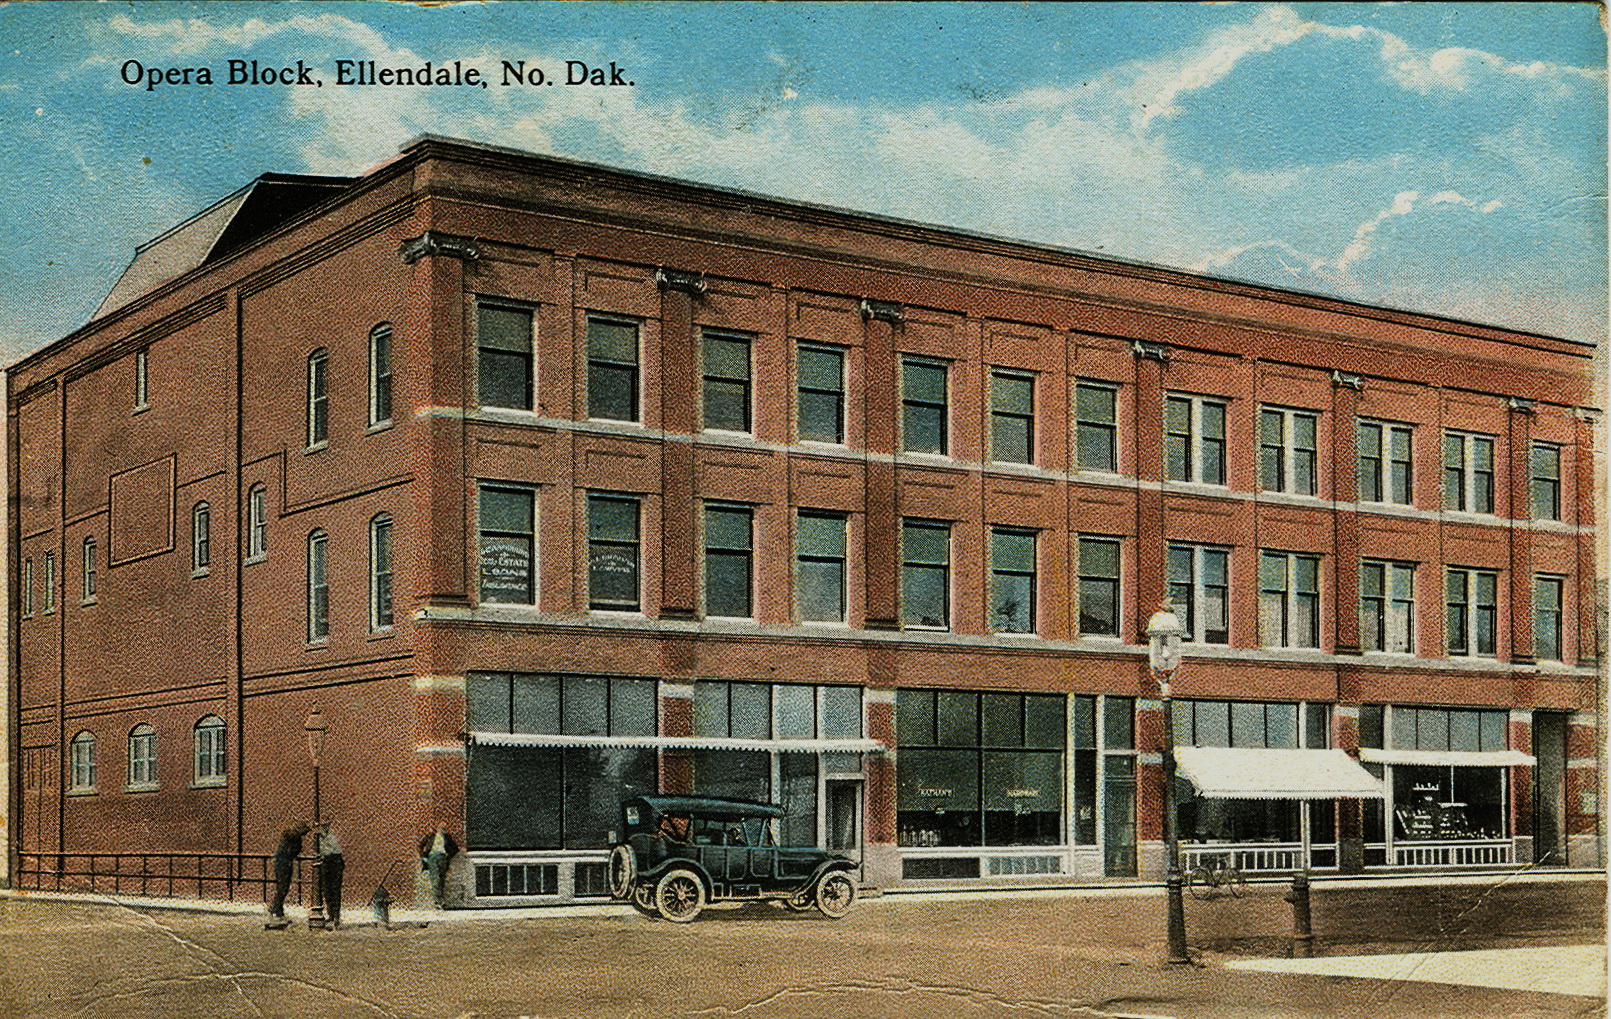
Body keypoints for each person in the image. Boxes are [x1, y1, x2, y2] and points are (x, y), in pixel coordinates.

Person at [268, 822, 310, 924]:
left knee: (282, 887)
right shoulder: (295, 837)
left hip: (282, 863)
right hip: (285, 863)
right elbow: (294, 850)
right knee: (283, 887)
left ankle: (278, 911)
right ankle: (274, 909)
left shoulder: (289, 835)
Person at [418, 825, 459, 907]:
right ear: (437, 829)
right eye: (441, 828)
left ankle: (440, 899)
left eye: (444, 828)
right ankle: (438, 901)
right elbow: (420, 845)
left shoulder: (447, 838)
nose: (442, 829)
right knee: (435, 879)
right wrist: (423, 856)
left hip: (442, 858)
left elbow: (456, 849)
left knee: (441, 880)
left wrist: (448, 856)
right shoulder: (431, 836)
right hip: (432, 858)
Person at [315, 821, 345, 926]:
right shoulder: (319, 838)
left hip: (334, 862)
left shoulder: (330, 838)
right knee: (326, 890)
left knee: (335, 890)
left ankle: (336, 916)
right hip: (326, 863)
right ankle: (331, 914)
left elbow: (332, 851)